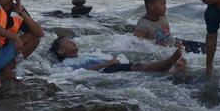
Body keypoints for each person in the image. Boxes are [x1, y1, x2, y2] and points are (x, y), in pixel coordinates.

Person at [50, 37, 184, 73]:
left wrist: (113, 60)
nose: (72, 41)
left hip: (109, 67)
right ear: (61, 51)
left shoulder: (84, 55)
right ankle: (171, 60)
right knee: (138, 67)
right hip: (105, 70)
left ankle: (172, 68)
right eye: (67, 42)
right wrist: (105, 64)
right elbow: (79, 73)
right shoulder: (67, 63)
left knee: (141, 68)